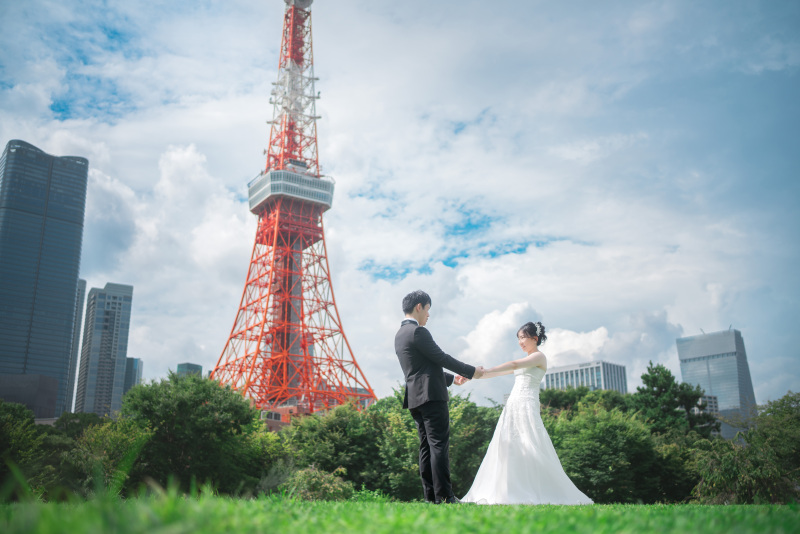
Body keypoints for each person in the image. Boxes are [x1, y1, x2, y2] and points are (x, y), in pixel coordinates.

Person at [457, 321, 593, 505]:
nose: (520, 342)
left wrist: (484, 370)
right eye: (518, 339)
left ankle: (536, 490)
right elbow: (493, 374)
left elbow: (512, 364)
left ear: (534, 338)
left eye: (523, 337)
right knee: (508, 445)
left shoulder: (539, 357)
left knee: (530, 444)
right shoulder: (527, 359)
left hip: (526, 405)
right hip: (513, 405)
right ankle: (508, 490)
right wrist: (472, 374)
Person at [394, 290, 485, 504]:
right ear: (419, 307)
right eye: (428, 309)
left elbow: (421, 368)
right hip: (432, 396)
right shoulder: (419, 332)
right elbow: (441, 357)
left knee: (426, 447)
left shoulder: (399, 335)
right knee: (438, 446)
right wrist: (472, 371)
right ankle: (445, 497)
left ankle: (431, 497)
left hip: (415, 398)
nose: (428, 315)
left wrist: (453, 379)